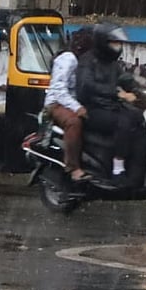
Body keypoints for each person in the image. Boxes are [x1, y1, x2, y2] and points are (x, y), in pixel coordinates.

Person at [76, 23, 142, 180]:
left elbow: (126, 79)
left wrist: (142, 89)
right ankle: (117, 167)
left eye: (119, 43)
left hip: (110, 107)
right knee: (124, 122)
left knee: (140, 118)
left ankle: (137, 164)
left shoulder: (113, 64)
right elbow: (86, 87)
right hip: (92, 109)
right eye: (114, 42)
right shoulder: (88, 61)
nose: (117, 46)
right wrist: (118, 94)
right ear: (102, 42)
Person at [44, 27, 94, 181]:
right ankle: (73, 167)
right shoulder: (68, 58)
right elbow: (59, 90)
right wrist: (77, 108)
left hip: (77, 102)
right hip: (57, 104)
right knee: (74, 122)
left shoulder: (89, 61)